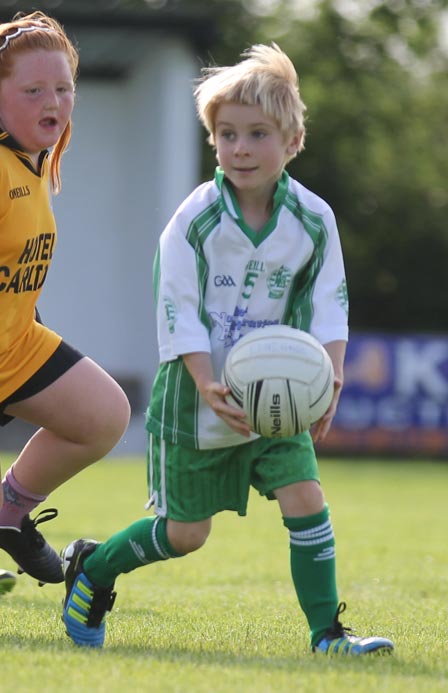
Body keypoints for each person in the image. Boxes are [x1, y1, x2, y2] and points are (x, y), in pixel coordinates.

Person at [60, 44, 394, 655]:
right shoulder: (195, 219)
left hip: (277, 402)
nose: (239, 148)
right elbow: (175, 306)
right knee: (187, 535)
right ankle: (95, 568)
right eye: (227, 134)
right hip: (197, 402)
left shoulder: (314, 220)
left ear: (292, 141)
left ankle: (328, 635)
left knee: (306, 498)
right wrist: (207, 380)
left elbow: (331, 302)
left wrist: (333, 375)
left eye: (257, 134)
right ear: (213, 140)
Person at [0, 12, 130, 586]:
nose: (53, 100)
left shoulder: (30, 162)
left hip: (16, 343)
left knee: (104, 416)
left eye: (63, 88)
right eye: (33, 90)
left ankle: (5, 515)